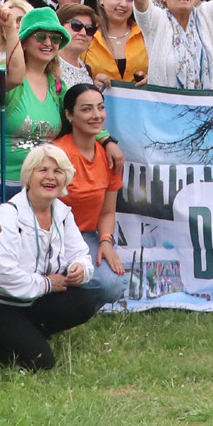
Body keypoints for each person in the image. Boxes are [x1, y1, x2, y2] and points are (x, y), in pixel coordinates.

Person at [0, 143, 102, 371]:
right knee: (42, 362)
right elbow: (3, 275)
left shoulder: (61, 213)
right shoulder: (8, 214)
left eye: (58, 171)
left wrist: (80, 269)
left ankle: (27, 334)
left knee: (83, 302)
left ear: (65, 179)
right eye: (42, 170)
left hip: (31, 298)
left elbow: (81, 254)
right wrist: (48, 283)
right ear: (28, 177)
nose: (50, 177)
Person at [51, 83, 128, 306]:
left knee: (114, 285)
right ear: (69, 115)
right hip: (54, 237)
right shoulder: (56, 154)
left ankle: (69, 289)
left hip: (86, 236)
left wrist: (106, 242)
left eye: (100, 108)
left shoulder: (110, 157)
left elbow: (107, 212)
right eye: (86, 109)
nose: (96, 115)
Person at [0, 3, 74, 197]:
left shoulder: (58, 86)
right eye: (40, 36)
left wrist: (105, 140)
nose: (48, 42)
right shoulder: (2, 75)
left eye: (55, 38)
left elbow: (80, 115)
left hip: (39, 191)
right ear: (24, 42)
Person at [86, 0, 147, 85]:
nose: (123, 4)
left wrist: (151, 79)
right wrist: (91, 83)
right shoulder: (86, 34)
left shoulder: (146, 34)